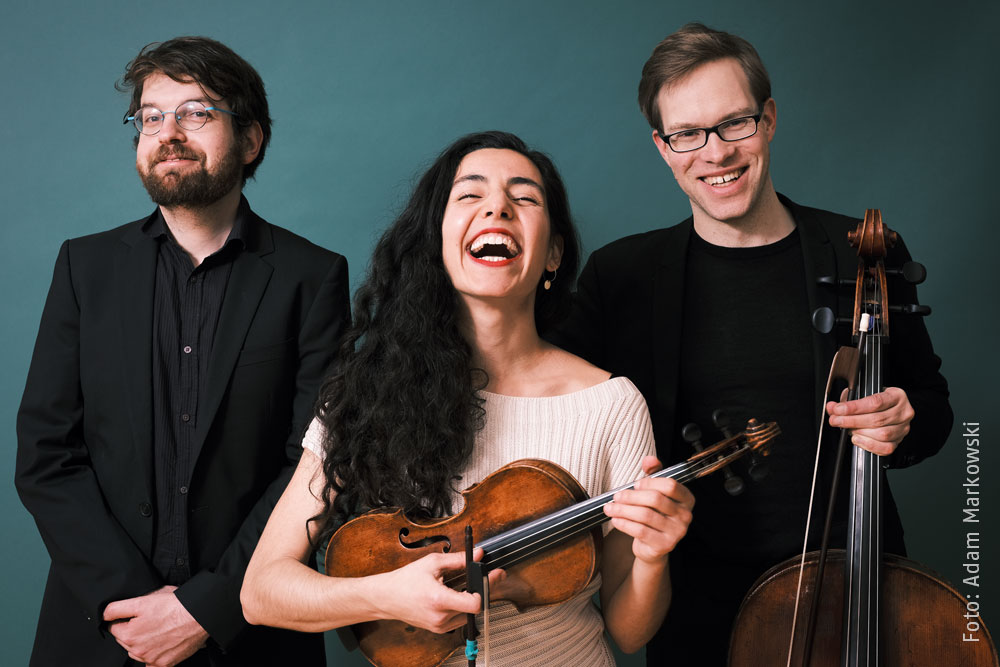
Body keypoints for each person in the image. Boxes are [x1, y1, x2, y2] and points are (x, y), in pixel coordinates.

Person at [551, 23, 953, 666]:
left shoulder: (864, 251)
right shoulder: (620, 276)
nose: (714, 152)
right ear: (662, 146)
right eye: (687, 133)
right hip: (694, 611)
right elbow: (546, 399)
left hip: (850, 598)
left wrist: (904, 419)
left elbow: (932, 408)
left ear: (767, 120)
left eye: (733, 123)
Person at [240, 131, 695, 666]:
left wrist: (652, 557)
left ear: (553, 254)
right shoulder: (368, 390)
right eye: (470, 195)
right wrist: (384, 595)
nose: (497, 207)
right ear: (435, 242)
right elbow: (260, 593)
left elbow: (629, 630)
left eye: (524, 197)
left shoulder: (611, 403)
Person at [15, 36, 349, 666]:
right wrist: (130, 602)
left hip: (250, 632)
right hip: (101, 633)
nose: (168, 132)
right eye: (151, 116)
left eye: (196, 112)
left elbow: (315, 464)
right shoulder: (84, 268)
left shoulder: (313, 277)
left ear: (250, 141)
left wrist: (206, 607)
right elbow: (47, 454)